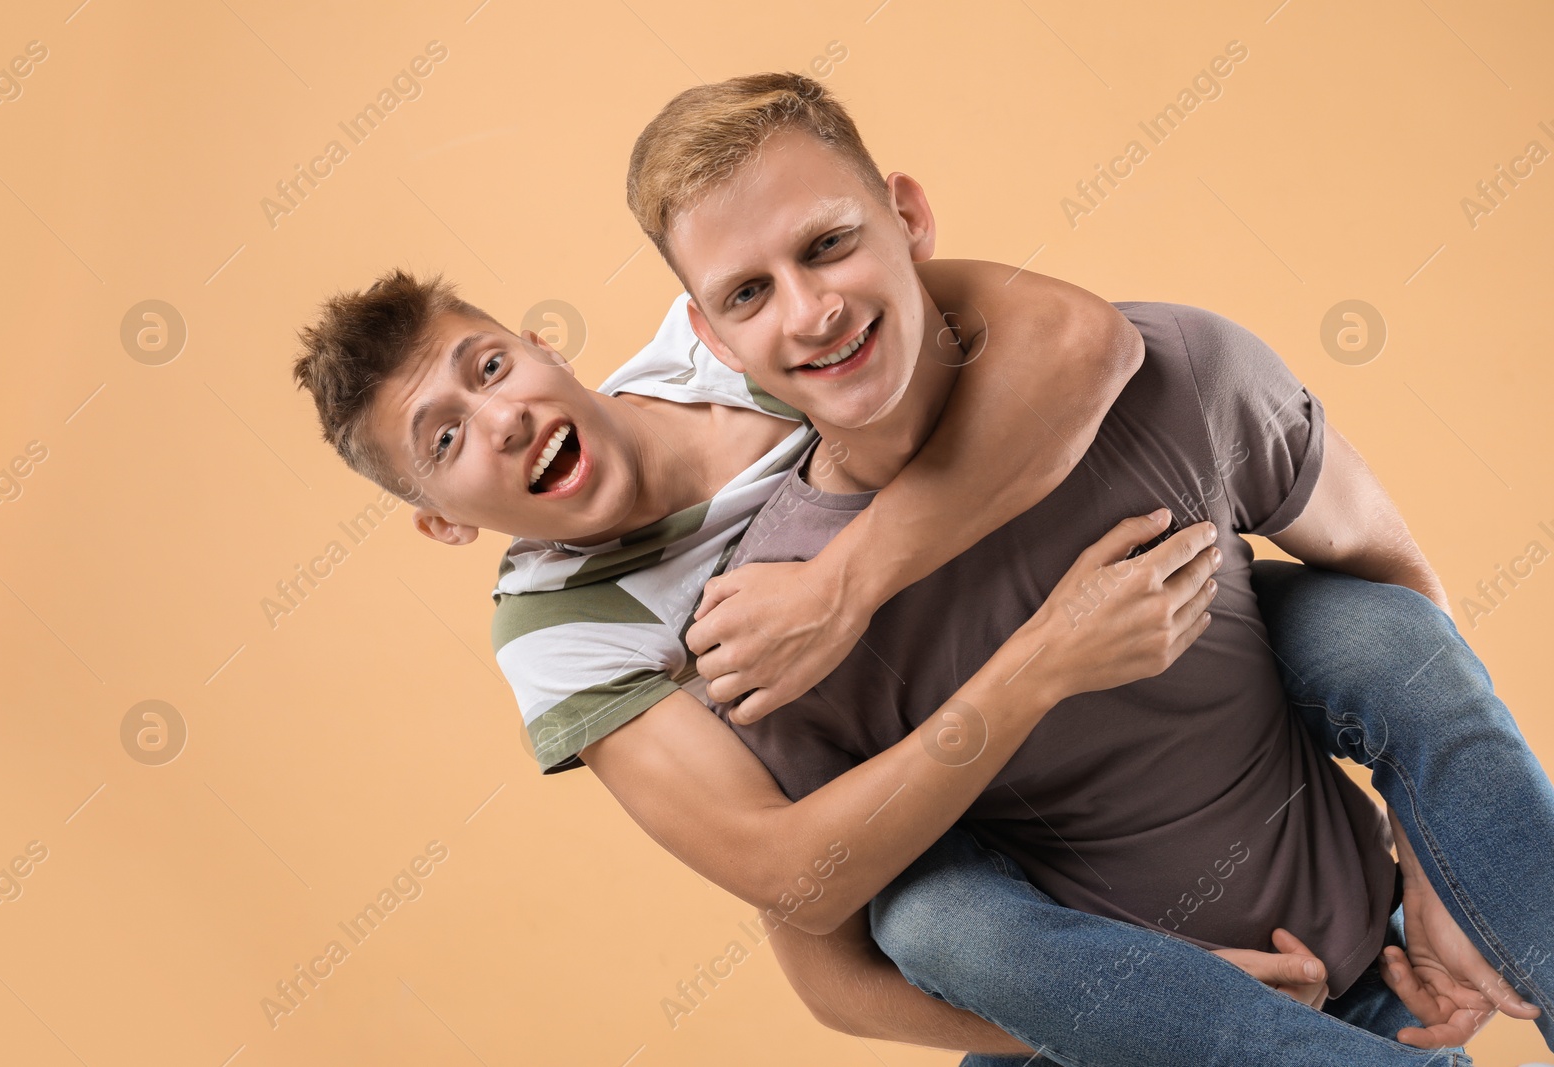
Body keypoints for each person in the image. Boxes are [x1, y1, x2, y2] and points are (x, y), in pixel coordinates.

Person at [290, 74, 1551, 1066]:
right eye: (443, 440)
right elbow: (800, 896)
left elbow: (1073, 336)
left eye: (491, 369)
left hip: (1103, 604)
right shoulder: (574, 634)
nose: (497, 420)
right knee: (933, 919)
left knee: (1370, 633)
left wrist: (843, 586)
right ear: (442, 522)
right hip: (933, 779)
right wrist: (1137, 998)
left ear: (542, 344)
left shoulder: (727, 331)